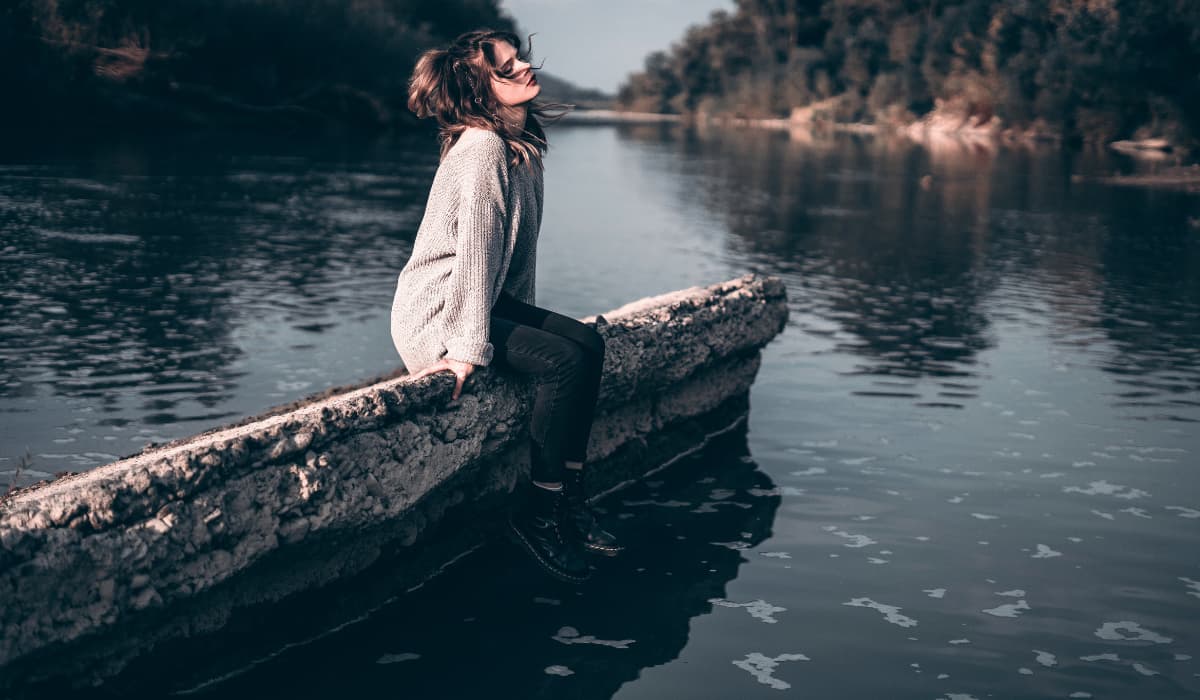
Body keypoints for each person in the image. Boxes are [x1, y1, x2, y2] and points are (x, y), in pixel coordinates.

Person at [390, 29, 621, 584]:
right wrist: (467, 349)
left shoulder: (522, 143)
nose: (525, 69)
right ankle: (540, 515)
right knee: (563, 362)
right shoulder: (482, 149)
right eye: (507, 67)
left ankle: (569, 497)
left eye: (519, 60)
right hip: (440, 312)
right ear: (478, 91)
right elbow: (473, 253)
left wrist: (524, 323)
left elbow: (514, 256)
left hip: (484, 301)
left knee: (587, 343)